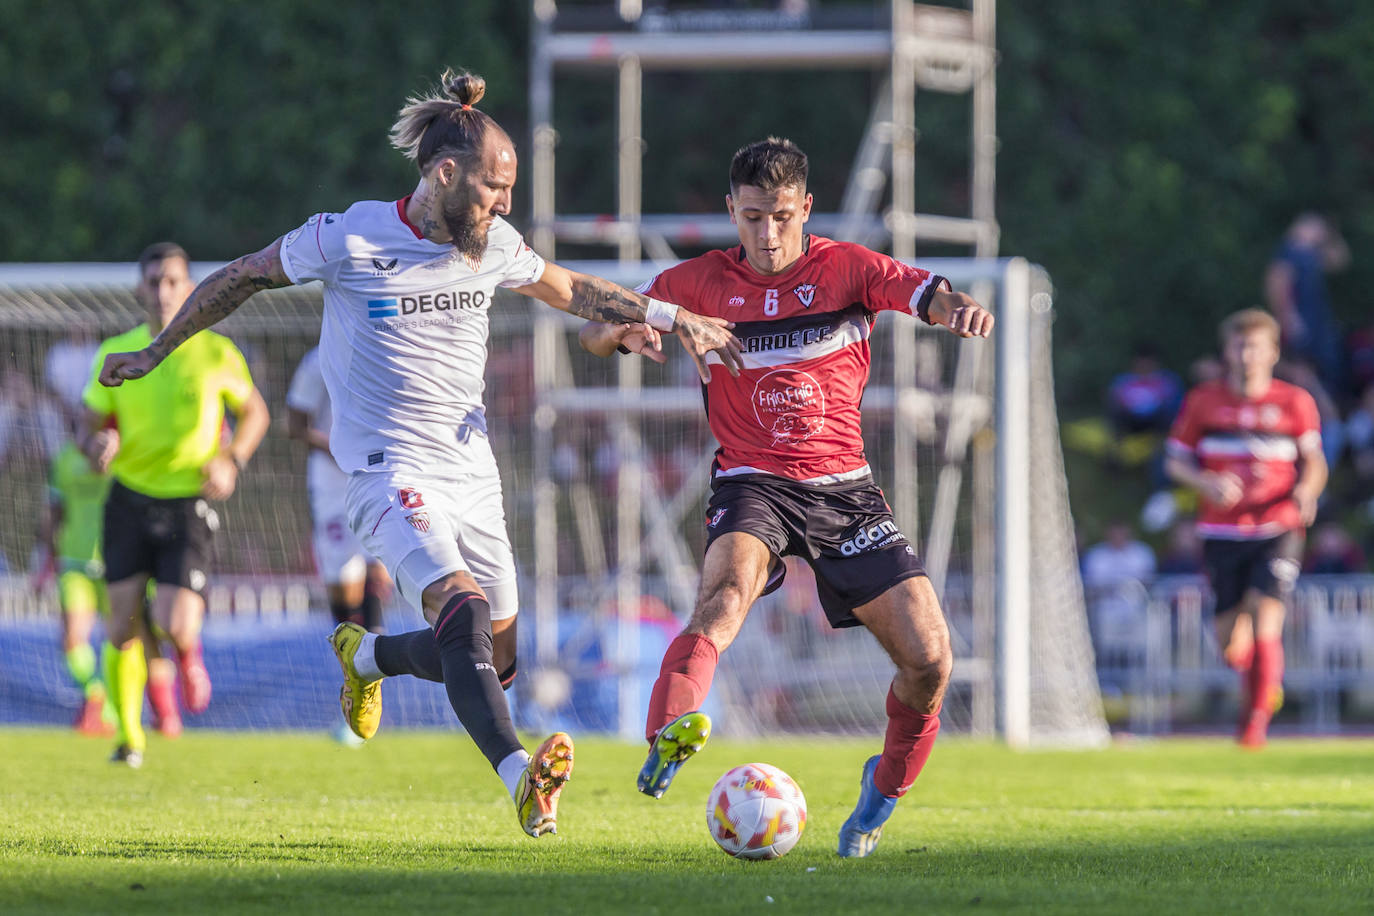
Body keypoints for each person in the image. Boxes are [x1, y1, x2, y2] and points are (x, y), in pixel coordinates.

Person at [96, 69, 742, 838]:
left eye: (508, 191)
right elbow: (241, 278)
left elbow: (570, 289)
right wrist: (160, 350)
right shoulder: (347, 236)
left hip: (472, 471)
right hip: (384, 472)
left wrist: (673, 317)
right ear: (444, 174)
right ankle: (519, 776)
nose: (505, 205)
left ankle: (368, 658)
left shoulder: (493, 244)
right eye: (495, 188)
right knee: (460, 610)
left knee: (492, 663)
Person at [579, 137, 993, 857]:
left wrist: (955, 308)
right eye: (749, 219)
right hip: (752, 482)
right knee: (724, 598)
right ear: (731, 212)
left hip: (846, 493)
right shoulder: (697, 282)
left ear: (805, 208)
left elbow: (925, 292)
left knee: (929, 662)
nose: (765, 236)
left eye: (778, 217)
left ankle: (881, 792)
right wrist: (621, 333)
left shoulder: (849, 268)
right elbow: (596, 330)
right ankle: (666, 734)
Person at [82, 242, 271, 768]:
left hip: (189, 499)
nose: (162, 291)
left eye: (172, 281)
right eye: (153, 282)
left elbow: (256, 414)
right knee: (120, 627)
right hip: (128, 498)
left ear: (188, 289)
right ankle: (129, 738)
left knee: (175, 623)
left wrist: (231, 458)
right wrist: (95, 444)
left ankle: (188, 652)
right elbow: (87, 422)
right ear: (139, 290)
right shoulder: (115, 351)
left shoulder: (216, 353)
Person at [1165, 308, 1327, 748]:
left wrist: (1307, 492)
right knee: (1230, 641)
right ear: (1227, 351)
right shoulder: (1203, 400)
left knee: (1266, 617)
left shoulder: (1295, 402)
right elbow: (1175, 460)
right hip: (1222, 531)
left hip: (1278, 525)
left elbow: (1314, 462)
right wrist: (1206, 482)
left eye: (1256, 346)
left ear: (1273, 352)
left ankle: (1252, 727)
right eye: (1240, 345)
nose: (1247, 354)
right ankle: (1262, 681)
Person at [285, 346, 394, 745]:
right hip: (332, 486)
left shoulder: (387, 347)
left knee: (377, 575)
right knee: (345, 598)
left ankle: (372, 688)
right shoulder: (318, 360)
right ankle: (356, 684)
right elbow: (293, 426)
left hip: (379, 477)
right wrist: (336, 448)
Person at [34, 436, 114, 735]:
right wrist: (45, 562)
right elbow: (54, 512)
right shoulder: (66, 459)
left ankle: (109, 709)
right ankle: (95, 694)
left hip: (118, 564)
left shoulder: (125, 457)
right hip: (75, 563)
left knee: (122, 641)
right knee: (71, 639)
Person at [1264, 213, 1348, 395]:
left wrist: (1332, 235)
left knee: (1323, 370)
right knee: (1302, 370)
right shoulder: (1288, 251)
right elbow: (1276, 283)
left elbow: (1339, 261)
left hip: (1316, 323)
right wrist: (1287, 317)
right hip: (1299, 323)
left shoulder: (1310, 252)